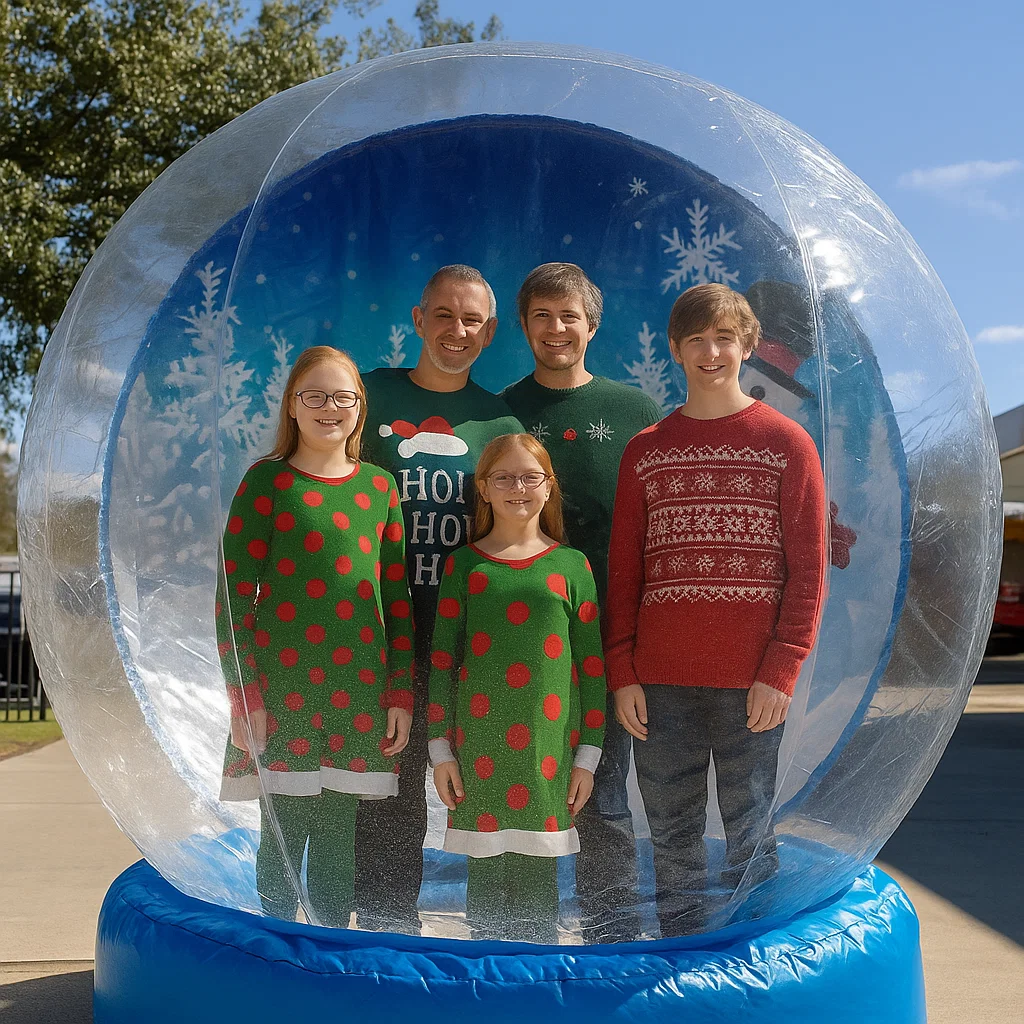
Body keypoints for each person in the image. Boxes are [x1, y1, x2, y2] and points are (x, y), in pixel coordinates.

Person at [605, 283, 827, 937]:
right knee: (672, 839)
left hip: (751, 687)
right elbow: (625, 573)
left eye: (725, 338)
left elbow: (808, 573)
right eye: (696, 340)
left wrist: (781, 670)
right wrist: (623, 672)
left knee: (750, 836)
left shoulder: (788, 445)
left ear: (749, 347)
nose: (711, 352)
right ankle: (682, 962)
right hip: (659, 686)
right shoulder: (647, 450)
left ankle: (753, 964)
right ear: (675, 350)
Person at [218, 346, 414, 929]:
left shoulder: (379, 489)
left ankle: (328, 952)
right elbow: (232, 601)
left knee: (336, 842)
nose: (331, 408)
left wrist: (399, 692)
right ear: (292, 407)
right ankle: (274, 959)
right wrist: (242, 694)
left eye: (344, 397)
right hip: (281, 697)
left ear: (360, 408)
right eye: (315, 396)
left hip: (356, 695)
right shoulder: (266, 482)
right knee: (281, 837)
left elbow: (396, 602)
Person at [355, 265, 523, 933]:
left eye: (472, 320)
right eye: (445, 316)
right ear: (419, 319)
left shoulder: (499, 420)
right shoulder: (368, 396)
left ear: (490, 332)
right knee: (390, 793)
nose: (458, 330)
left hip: (468, 645)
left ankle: (500, 927)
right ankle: (387, 926)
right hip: (382, 639)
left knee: (478, 783)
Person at [501, 263, 662, 942]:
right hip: (519, 637)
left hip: (611, 636)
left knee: (602, 793)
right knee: (516, 776)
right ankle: (514, 924)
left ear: (591, 326)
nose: (556, 328)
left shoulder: (637, 415)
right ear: (524, 326)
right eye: (542, 315)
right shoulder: (500, 410)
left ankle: (612, 930)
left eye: (569, 316)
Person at [427, 433, 607, 943]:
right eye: (503, 477)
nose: (517, 487)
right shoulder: (464, 566)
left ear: (549, 488)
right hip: (479, 756)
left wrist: (587, 759)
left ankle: (535, 998)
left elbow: (592, 669)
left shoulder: (572, 566)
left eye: (531, 476)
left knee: (537, 901)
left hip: (548, 760)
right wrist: (441, 751)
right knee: (484, 899)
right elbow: (442, 663)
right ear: (483, 488)